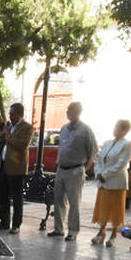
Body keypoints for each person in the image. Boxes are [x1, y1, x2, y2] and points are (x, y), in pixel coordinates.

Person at [48, 102, 99, 241]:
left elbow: (93, 150)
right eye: (67, 109)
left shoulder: (85, 130)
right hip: (61, 169)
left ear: (78, 112)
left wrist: (85, 168)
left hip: (75, 170)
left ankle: (73, 231)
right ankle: (58, 229)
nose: (68, 112)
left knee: (73, 202)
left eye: (71, 110)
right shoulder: (64, 128)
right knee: (58, 200)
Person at [92, 119, 131, 247]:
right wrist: (98, 173)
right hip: (103, 182)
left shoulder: (127, 144)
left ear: (125, 130)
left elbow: (121, 163)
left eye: (119, 128)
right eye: (116, 126)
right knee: (103, 207)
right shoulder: (107, 143)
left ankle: (114, 233)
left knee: (116, 208)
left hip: (116, 181)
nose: (116, 130)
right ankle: (101, 231)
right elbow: (99, 159)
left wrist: (106, 175)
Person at [0, 102, 33, 234]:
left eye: (12, 114)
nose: (10, 116)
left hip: (16, 167)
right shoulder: (9, 127)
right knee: (3, 195)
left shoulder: (27, 128)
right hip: (4, 165)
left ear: (19, 114)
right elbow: (4, 143)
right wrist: (3, 136)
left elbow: (22, 145)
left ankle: (16, 224)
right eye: (9, 114)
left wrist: (8, 136)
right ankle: (4, 221)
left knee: (17, 197)